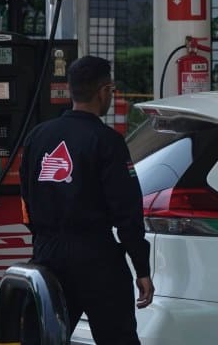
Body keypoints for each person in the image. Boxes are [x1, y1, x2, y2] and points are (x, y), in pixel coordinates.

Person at [20, 55, 154, 344]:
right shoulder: (107, 141)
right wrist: (141, 268)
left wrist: (44, 240)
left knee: (45, 337)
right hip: (96, 258)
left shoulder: (37, 137)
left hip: (47, 256)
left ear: (71, 90)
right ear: (104, 91)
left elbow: (27, 200)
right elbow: (127, 212)